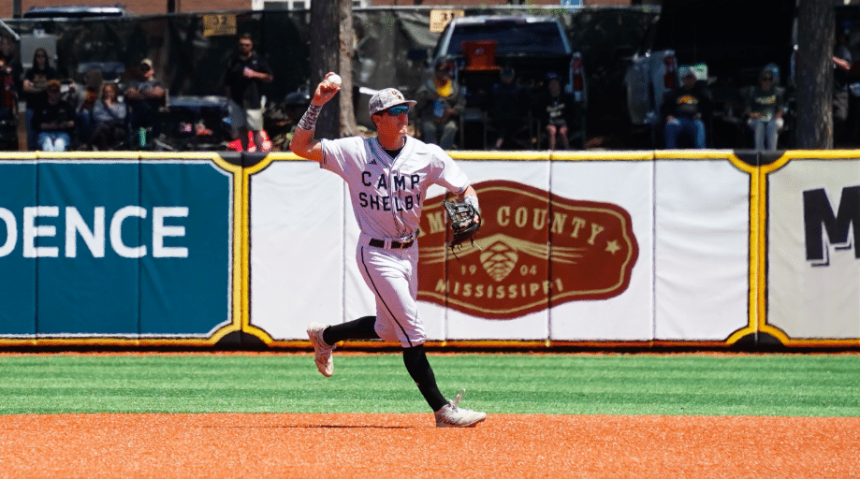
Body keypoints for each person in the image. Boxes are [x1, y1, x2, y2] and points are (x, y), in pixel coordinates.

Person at [289, 73, 487, 428]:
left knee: (388, 330)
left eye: (405, 110)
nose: (403, 116)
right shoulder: (354, 151)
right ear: (377, 119)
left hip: (409, 252)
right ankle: (443, 410)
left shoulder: (427, 155)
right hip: (375, 253)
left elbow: (465, 188)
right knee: (412, 329)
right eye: (394, 111)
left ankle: (325, 335)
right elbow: (300, 147)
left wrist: (472, 207)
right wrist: (317, 104)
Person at [225, 33, 274, 152]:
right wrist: (228, 99)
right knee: (241, 128)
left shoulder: (258, 60)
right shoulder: (233, 62)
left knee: (256, 128)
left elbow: (269, 77)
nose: (244, 47)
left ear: (251, 46)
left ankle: (258, 151)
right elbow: (227, 82)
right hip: (237, 100)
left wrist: (254, 74)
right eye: (242, 45)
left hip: (253, 99)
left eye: (247, 45)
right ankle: (245, 151)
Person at [415, 56, 465, 150]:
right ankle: (431, 153)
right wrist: (426, 98)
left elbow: (461, 103)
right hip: (430, 118)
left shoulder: (454, 87)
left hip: (447, 119)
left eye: (447, 70)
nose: (444, 73)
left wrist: (453, 111)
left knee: (451, 128)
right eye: (442, 71)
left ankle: (444, 153)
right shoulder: (427, 86)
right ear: (436, 72)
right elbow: (417, 105)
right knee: (430, 129)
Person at [662, 67, 711, 149]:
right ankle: (670, 154)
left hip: (694, 120)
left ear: (695, 79)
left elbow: (708, 106)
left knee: (699, 126)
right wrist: (669, 115)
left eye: (691, 78)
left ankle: (701, 154)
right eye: (687, 78)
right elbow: (666, 106)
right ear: (683, 80)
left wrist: (701, 114)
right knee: (670, 125)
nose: (689, 80)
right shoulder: (676, 93)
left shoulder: (701, 93)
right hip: (678, 119)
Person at [22, 48, 59, 150]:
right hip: (32, 107)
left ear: (46, 58)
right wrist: (43, 87)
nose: (40, 58)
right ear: (35, 58)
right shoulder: (30, 72)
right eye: (38, 56)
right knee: (31, 137)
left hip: (47, 108)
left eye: (42, 56)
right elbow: (25, 88)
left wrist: (34, 87)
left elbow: (54, 87)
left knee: (46, 136)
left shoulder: (51, 72)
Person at [125, 58, 165, 147]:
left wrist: (140, 93)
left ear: (152, 70)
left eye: (147, 69)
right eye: (142, 69)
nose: (144, 71)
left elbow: (158, 94)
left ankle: (155, 145)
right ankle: (142, 146)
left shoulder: (157, 83)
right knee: (140, 125)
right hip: (138, 114)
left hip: (153, 113)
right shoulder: (134, 83)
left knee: (156, 118)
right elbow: (130, 95)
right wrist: (149, 94)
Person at [743, 68, 785, 151]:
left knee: (771, 125)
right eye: (765, 79)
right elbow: (748, 110)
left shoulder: (776, 92)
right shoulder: (754, 92)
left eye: (770, 79)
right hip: (757, 117)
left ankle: (771, 153)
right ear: (760, 81)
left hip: (773, 118)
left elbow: (781, 110)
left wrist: (776, 116)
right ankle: (759, 152)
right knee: (759, 125)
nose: (767, 82)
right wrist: (754, 115)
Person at [490, 66, 528, 150]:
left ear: (513, 77)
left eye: (509, 76)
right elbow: (489, 104)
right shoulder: (496, 89)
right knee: (504, 124)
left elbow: (525, 105)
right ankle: (503, 144)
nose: (507, 78)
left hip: (517, 119)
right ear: (501, 77)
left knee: (508, 125)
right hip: (498, 119)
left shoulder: (520, 89)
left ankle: (499, 144)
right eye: (504, 76)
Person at [33, 79, 75, 152]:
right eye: (52, 92)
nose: (54, 94)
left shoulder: (66, 106)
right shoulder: (41, 106)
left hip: (62, 133)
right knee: (48, 145)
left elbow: (74, 121)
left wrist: (67, 124)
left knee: (59, 145)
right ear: (48, 92)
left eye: (56, 92)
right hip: (45, 133)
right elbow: (35, 123)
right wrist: (49, 126)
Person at [538, 72, 573, 151]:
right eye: (551, 84)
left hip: (563, 123)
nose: (554, 85)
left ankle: (568, 153)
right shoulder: (544, 100)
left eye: (556, 83)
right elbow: (541, 114)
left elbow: (571, 113)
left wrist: (567, 124)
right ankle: (552, 153)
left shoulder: (566, 99)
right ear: (548, 86)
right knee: (552, 130)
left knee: (562, 132)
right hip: (550, 123)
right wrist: (547, 122)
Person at [90, 82, 128, 151]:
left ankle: (87, 144)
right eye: (106, 92)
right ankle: (105, 151)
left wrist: (110, 106)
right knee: (101, 131)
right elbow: (96, 116)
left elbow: (121, 116)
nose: (108, 94)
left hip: (115, 128)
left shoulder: (121, 105)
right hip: (102, 127)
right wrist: (112, 117)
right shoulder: (98, 103)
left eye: (110, 92)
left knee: (101, 126)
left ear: (115, 93)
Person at [833, 29, 852, 145]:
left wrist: (831, 58)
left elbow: (846, 66)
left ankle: (835, 140)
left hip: (840, 91)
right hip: (827, 92)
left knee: (841, 116)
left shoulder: (842, 50)